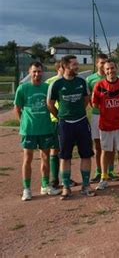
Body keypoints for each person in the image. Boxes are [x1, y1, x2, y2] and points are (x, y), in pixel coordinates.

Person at [47, 55, 95, 200]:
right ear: (66, 66)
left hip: (81, 122)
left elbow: (86, 100)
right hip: (65, 125)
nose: (77, 66)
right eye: (74, 64)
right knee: (65, 156)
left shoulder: (81, 81)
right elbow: (50, 103)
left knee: (86, 154)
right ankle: (66, 187)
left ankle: (85, 186)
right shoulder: (56, 84)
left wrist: (78, 113)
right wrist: (61, 116)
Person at [15, 62, 61, 200]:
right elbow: (17, 108)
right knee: (27, 159)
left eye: (39, 71)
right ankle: (27, 189)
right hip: (29, 130)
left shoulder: (47, 87)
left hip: (45, 128)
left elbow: (52, 104)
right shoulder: (23, 88)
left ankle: (45, 185)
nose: (37, 74)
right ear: (29, 72)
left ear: (43, 72)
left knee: (45, 157)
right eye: (34, 71)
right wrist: (23, 123)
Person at [92, 60, 119, 190]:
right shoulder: (99, 85)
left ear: (116, 68)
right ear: (104, 70)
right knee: (106, 151)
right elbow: (95, 104)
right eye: (107, 69)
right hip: (105, 125)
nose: (110, 71)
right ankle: (104, 178)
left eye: (112, 68)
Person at [87, 54, 118, 182]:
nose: (104, 64)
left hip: (111, 116)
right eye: (101, 62)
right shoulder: (90, 79)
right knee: (98, 145)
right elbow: (89, 98)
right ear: (97, 64)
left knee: (112, 145)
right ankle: (99, 171)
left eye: (106, 62)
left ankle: (110, 170)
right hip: (97, 115)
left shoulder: (112, 78)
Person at [44, 60, 63, 188]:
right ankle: (54, 180)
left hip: (67, 120)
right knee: (54, 149)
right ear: (60, 67)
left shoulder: (71, 80)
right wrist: (58, 116)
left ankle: (65, 178)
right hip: (55, 120)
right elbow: (48, 102)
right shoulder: (50, 82)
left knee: (65, 150)